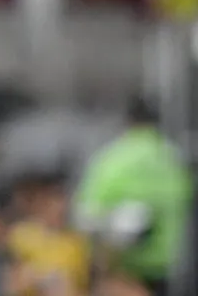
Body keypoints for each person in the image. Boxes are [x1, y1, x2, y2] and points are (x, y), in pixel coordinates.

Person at [75, 97, 192, 296]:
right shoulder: (174, 158)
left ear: (128, 122)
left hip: (124, 268)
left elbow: (87, 216)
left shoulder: (113, 158)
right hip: (168, 265)